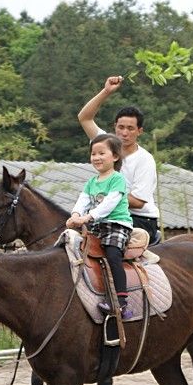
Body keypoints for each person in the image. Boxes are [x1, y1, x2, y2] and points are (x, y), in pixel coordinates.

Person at [78, 75, 159, 243]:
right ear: (114, 127)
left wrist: (103, 196)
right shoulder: (105, 144)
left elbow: (138, 201)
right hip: (104, 213)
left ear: (139, 131)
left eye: (130, 128)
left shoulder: (145, 159)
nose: (124, 132)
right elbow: (84, 118)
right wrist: (106, 91)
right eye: (121, 127)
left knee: (109, 244)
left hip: (139, 220)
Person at [66, 133, 133, 320]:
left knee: (112, 254)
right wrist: (75, 215)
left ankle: (121, 303)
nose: (96, 157)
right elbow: (83, 200)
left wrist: (87, 217)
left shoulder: (117, 179)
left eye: (101, 153)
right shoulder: (91, 182)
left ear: (115, 156)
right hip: (97, 226)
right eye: (93, 154)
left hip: (117, 225)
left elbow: (109, 204)